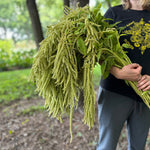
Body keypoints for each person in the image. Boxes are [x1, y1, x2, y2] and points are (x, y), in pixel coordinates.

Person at [96, 0, 150, 150]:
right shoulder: (113, 13)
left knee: (138, 147)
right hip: (114, 93)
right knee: (106, 146)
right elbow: (99, 51)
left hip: (144, 94)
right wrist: (118, 72)